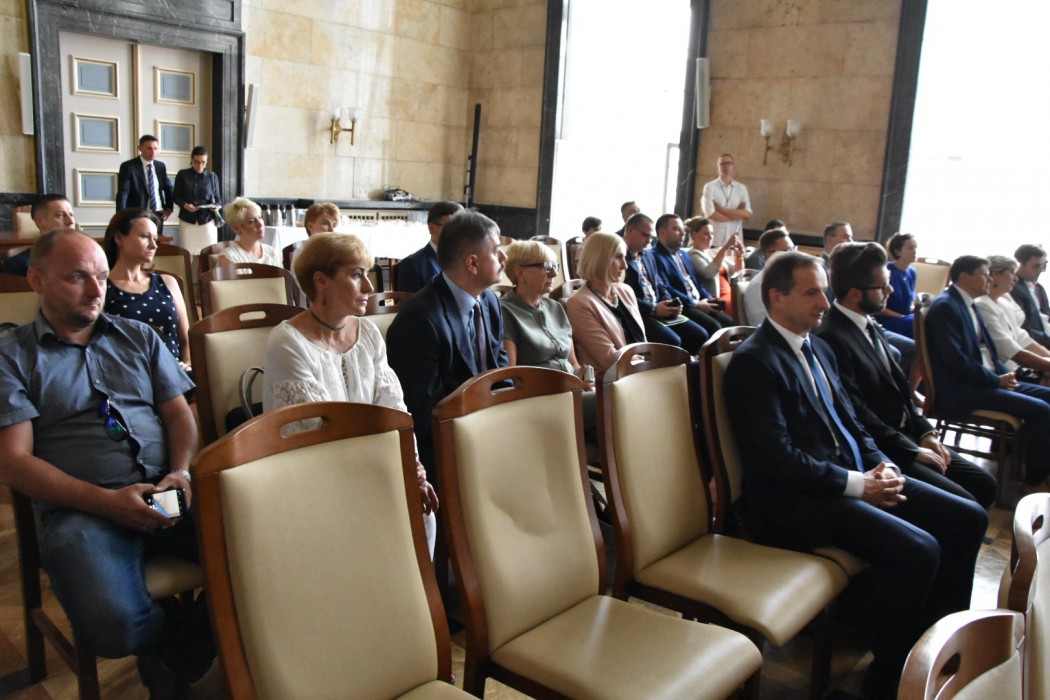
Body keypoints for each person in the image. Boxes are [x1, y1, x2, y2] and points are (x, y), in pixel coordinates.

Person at [724, 251, 987, 700]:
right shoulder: (756, 362)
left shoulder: (818, 347)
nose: (824, 303)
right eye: (812, 293)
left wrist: (881, 464)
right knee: (918, 550)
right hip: (796, 501)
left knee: (968, 518)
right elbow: (775, 460)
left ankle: (937, 639)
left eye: (825, 291)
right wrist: (858, 485)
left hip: (848, 478)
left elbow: (851, 422)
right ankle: (888, 678)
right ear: (777, 297)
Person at [0, 230, 214, 696]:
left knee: (266, 552)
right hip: (84, 512)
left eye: (100, 276)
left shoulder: (138, 337)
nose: (97, 290)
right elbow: (13, 462)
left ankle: (176, 662)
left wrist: (180, 472)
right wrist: (106, 502)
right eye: (78, 277)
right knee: (114, 628)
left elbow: (180, 414)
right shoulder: (12, 357)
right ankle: (181, 644)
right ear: (36, 280)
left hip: (166, 493)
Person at [263, 232, 439, 551]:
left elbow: (394, 409)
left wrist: (412, 469)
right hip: (312, 474)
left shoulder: (368, 332)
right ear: (321, 281)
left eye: (367, 274)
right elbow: (318, 431)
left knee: (421, 510)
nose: (369, 287)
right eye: (357, 275)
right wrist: (387, 474)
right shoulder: (287, 341)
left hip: (369, 461)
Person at [817, 242, 997, 507]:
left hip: (908, 434)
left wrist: (926, 433)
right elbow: (857, 412)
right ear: (855, 294)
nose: (890, 291)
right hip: (884, 448)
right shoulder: (831, 336)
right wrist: (911, 449)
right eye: (882, 286)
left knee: (985, 484)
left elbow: (902, 391)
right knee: (966, 504)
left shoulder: (867, 321)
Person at [386, 210, 508, 484]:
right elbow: (425, 413)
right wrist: (482, 436)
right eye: (496, 251)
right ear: (472, 263)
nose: (504, 258)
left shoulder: (489, 301)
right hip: (446, 444)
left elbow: (499, 368)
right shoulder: (420, 320)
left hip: (487, 425)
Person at [926, 255, 1050, 493]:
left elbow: (989, 352)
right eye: (984, 274)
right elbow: (956, 362)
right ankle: (1034, 482)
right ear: (965, 277)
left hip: (984, 381)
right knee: (1041, 410)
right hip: (963, 390)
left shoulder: (968, 302)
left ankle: (1041, 469)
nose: (989, 279)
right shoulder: (946, 306)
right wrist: (996, 380)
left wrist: (1004, 375)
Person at [102, 209, 192, 373]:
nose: (153, 245)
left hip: (175, 374)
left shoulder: (168, 282)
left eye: (155, 238)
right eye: (145, 237)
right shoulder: (102, 287)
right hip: (127, 376)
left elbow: (185, 339)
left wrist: (187, 364)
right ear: (119, 238)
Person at [622, 213, 709, 354]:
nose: (649, 241)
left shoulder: (648, 255)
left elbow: (660, 284)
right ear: (631, 230)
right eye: (645, 235)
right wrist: (653, 309)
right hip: (640, 313)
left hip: (659, 308)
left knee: (700, 334)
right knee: (673, 341)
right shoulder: (620, 257)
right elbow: (623, 297)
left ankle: (690, 367)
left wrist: (669, 302)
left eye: (651, 237)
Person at [565, 232, 646, 376]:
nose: (625, 265)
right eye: (618, 257)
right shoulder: (578, 303)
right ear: (599, 259)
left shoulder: (626, 291)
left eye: (624, 257)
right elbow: (609, 359)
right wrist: (649, 363)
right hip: (611, 378)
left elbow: (641, 340)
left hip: (641, 369)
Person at [651, 213, 732, 335]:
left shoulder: (683, 254)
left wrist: (708, 298)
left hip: (698, 300)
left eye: (683, 230)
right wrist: (697, 304)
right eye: (677, 229)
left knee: (730, 323)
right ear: (662, 233)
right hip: (684, 305)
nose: (683, 233)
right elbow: (668, 288)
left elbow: (695, 283)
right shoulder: (655, 256)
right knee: (714, 327)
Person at [976, 255, 1050, 380]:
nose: (1016, 278)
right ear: (995, 274)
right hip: (1003, 373)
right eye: (1011, 273)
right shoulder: (982, 304)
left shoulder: (1003, 303)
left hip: (1016, 367)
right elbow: (1011, 351)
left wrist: (1048, 355)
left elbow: (1023, 339)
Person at [396, 201, 464, 293]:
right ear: (432, 228)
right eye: (451, 228)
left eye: (461, 228)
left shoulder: (467, 260)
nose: (458, 234)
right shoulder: (412, 265)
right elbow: (410, 301)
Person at [2, 195, 77, 276]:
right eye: (60, 215)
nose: (71, 221)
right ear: (40, 222)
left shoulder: (83, 256)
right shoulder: (19, 265)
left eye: (71, 214)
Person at [116, 135, 173, 234]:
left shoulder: (160, 166)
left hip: (157, 213)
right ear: (140, 148)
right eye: (149, 148)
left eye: (155, 148)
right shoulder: (128, 167)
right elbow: (123, 193)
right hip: (138, 214)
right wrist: (121, 216)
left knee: (156, 241)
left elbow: (168, 188)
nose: (153, 152)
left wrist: (169, 207)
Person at [172, 146, 222, 256]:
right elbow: (176, 197)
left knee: (208, 254)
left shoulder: (212, 177)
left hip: (207, 221)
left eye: (203, 162)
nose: (200, 165)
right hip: (187, 220)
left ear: (207, 161)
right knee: (187, 253)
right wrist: (185, 205)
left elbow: (218, 199)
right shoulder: (183, 175)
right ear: (192, 160)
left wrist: (216, 207)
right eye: (197, 162)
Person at [684, 215, 741, 312]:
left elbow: (737, 271)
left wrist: (739, 256)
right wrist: (725, 247)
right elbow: (709, 273)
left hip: (731, 298)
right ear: (694, 235)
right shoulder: (692, 254)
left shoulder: (711, 253)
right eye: (706, 234)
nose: (711, 237)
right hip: (715, 302)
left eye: (712, 233)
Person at [743, 228, 795, 325]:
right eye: (788, 250)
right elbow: (764, 324)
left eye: (793, 249)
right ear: (769, 253)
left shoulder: (784, 278)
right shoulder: (760, 285)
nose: (794, 254)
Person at [700, 153, 751, 246]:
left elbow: (746, 214)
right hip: (714, 240)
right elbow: (711, 214)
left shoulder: (741, 188)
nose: (726, 166)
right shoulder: (709, 187)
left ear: (733, 167)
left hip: (735, 240)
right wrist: (737, 214)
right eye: (722, 164)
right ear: (717, 168)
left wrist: (720, 209)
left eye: (729, 163)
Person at [220, 197, 281, 267]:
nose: (260, 224)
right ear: (237, 228)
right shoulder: (230, 257)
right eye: (252, 221)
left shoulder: (272, 253)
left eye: (260, 218)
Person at [878, 232, 918, 337]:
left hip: (906, 319)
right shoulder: (887, 271)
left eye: (915, 247)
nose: (914, 251)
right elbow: (878, 308)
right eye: (910, 248)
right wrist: (901, 317)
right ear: (897, 251)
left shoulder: (912, 272)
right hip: (888, 321)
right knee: (916, 323)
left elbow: (911, 301)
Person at [1010, 244, 1050, 348]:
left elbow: (1046, 316)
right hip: (1035, 345)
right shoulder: (1013, 289)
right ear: (1020, 264)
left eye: (1042, 265)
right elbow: (1024, 328)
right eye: (1036, 266)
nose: (1041, 270)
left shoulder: (1039, 288)